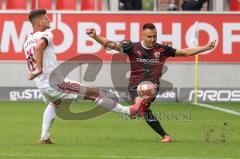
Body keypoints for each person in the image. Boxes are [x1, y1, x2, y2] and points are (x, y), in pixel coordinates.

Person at [23, 9, 148, 144]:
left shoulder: (27, 41)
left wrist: (37, 70)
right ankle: (129, 111)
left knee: (54, 102)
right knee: (94, 93)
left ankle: (45, 137)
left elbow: (36, 50)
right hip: (54, 82)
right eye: (46, 19)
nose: (49, 21)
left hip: (42, 85)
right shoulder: (46, 34)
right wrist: (40, 68)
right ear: (39, 22)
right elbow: (40, 47)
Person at [86, 23, 216, 143]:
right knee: (144, 110)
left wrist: (205, 47)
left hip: (152, 85)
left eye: (154, 36)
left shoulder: (162, 49)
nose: (152, 39)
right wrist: (95, 36)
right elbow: (111, 44)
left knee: (145, 90)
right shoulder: (132, 47)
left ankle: (137, 108)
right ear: (143, 36)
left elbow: (184, 52)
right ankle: (164, 134)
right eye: (149, 36)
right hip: (133, 86)